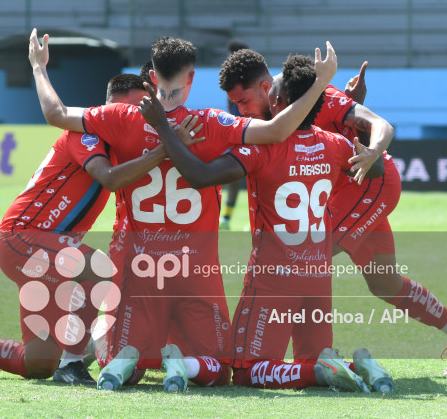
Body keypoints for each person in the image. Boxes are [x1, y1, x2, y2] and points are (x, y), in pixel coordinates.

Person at [28, 29, 336, 391]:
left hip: (141, 267)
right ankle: (180, 365)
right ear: (191, 78)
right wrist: (319, 85)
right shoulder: (210, 122)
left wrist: (39, 67)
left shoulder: (122, 118)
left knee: (130, 361)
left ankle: (126, 361)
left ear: (152, 77)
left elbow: (56, 112)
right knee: (219, 371)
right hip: (195, 269)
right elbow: (276, 130)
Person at [0, 74, 201, 385]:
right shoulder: (87, 134)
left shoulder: (121, 142)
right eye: (130, 109)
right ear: (109, 107)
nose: (135, 118)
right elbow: (108, 178)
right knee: (99, 268)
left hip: (48, 250)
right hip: (23, 238)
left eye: (140, 111)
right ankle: (73, 362)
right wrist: (163, 150)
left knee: (38, 363)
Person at [140, 50, 391, 393]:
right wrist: (357, 143)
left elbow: (200, 175)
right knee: (309, 360)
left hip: (273, 279)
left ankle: (323, 371)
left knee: (245, 372)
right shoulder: (332, 144)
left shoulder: (260, 148)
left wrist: (162, 130)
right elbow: (375, 168)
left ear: (278, 99)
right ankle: (352, 367)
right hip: (318, 275)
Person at [219, 55, 447, 376]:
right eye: (235, 105)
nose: (242, 111)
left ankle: (298, 358)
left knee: (300, 255)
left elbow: (380, 124)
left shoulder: (319, 95)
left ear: (267, 90)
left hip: (369, 183)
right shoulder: (284, 100)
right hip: (344, 191)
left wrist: (372, 150)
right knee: (385, 284)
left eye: (244, 101)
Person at [219, 39, 249, 231]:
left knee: (256, 175)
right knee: (232, 178)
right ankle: (226, 219)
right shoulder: (229, 79)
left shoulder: (250, 78)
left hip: (250, 129)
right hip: (235, 132)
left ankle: (258, 220)